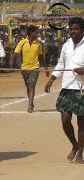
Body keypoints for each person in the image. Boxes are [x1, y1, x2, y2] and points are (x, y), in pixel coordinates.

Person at [44, 17, 84, 164]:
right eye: (71, 29)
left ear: (82, 30)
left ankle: (80, 152)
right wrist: (51, 79)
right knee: (65, 121)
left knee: (82, 124)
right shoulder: (66, 45)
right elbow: (61, 63)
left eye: (76, 29)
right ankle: (75, 145)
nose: (72, 32)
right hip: (67, 87)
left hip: (81, 89)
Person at [10, 25, 49, 113]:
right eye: (36, 32)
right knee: (28, 86)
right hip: (24, 68)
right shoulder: (22, 42)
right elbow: (15, 53)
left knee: (31, 85)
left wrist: (46, 68)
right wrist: (11, 61)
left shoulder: (38, 44)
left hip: (35, 68)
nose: (37, 34)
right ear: (30, 33)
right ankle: (31, 101)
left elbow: (41, 57)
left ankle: (30, 104)